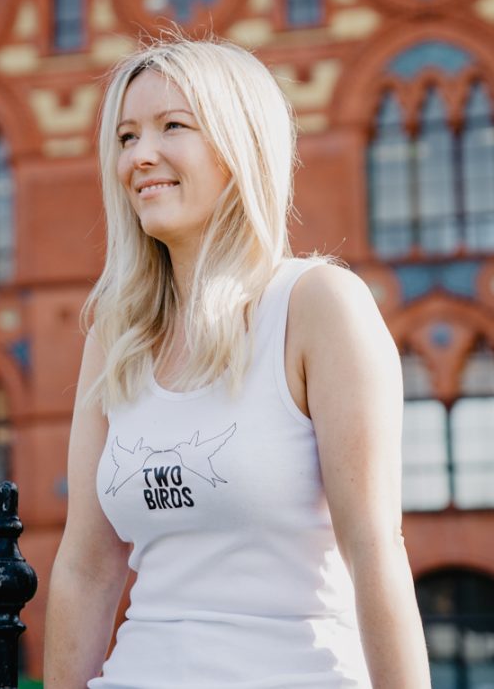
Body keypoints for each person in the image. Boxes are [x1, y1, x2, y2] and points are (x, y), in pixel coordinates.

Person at [44, 37, 432, 688]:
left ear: (239, 144)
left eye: (173, 127)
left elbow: (375, 549)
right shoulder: (116, 335)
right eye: (126, 136)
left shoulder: (317, 306)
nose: (141, 156)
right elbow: (87, 565)